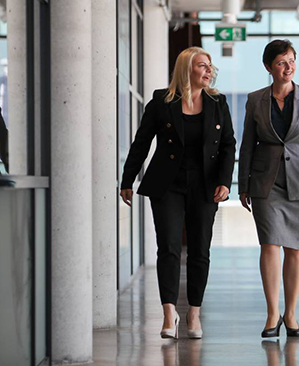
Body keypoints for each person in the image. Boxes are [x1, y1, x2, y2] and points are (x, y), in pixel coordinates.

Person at [120, 47, 236, 340]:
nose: (208, 71)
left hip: (205, 184)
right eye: (202, 66)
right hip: (167, 184)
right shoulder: (162, 100)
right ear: (186, 69)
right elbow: (141, 143)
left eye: (210, 66)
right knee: (169, 248)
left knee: (199, 249)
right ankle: (169, 313)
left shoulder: (217, 101)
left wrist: (225, 181)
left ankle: (193, 313)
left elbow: (228, 145)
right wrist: (127, 180)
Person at [238, 39, 299, 338]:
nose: (288, 66)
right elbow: (247, 144)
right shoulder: (255, 100)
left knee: (294, 249)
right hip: (266, 182)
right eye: (281, 62)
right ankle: (272, 315)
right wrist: (243, 184)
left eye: (291, 60)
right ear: (269, 67)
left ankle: (290, 315)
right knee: (269, 245)